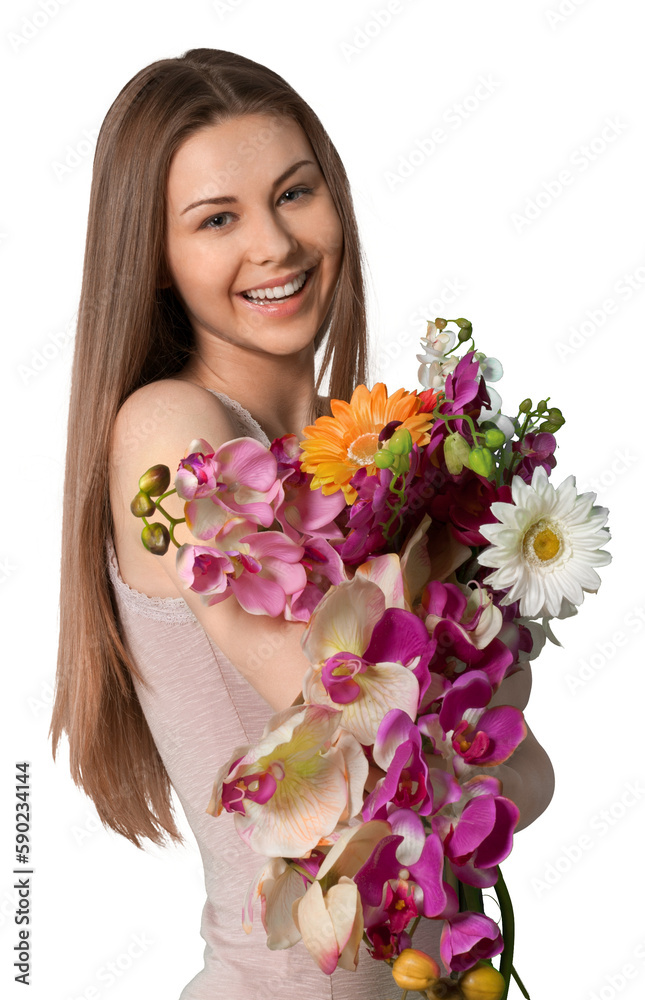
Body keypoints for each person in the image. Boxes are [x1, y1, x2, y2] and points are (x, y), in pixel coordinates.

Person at [50, 48, 554, 999]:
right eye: (216, 219)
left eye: (294, 194)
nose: (274, 245)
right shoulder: (170, 430)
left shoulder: (375, 454)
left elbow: (528, 782)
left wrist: (459, 750)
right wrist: (460, 707)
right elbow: (368, 736)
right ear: (155, 260)